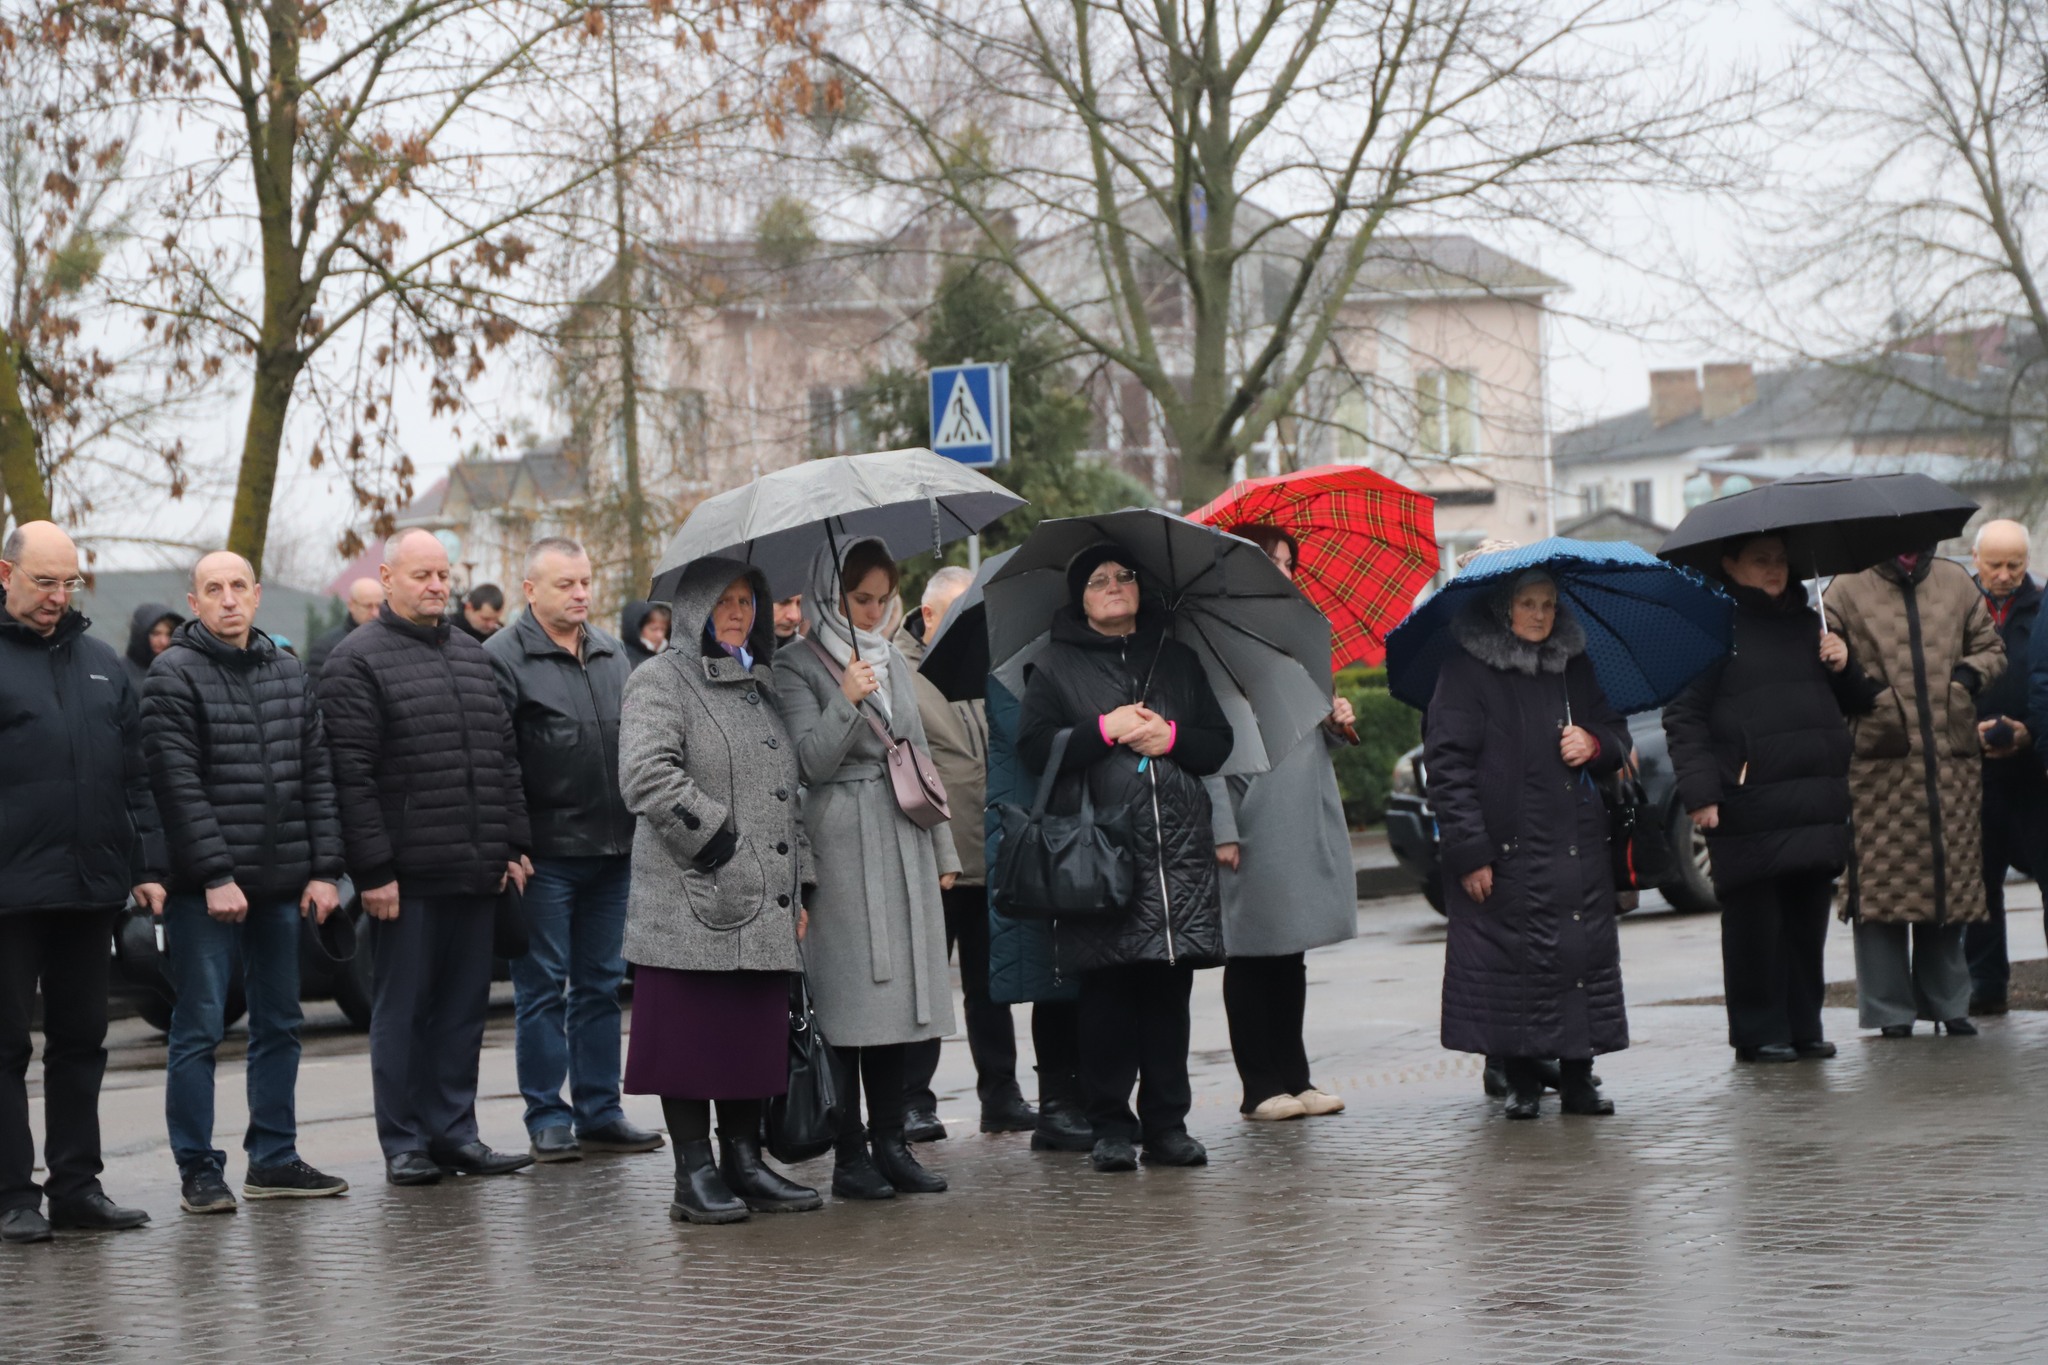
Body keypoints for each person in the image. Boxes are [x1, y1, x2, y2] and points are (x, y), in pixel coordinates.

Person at [319, 529, 534, 1186]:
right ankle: (405, 1141)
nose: (438, 586)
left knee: (464, 1010)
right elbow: (349, 776)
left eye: (444, 574)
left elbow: (503, 757)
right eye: (423, 575)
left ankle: (455, 1133)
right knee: (403, 1012)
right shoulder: (355, 661)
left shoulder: (473, 656)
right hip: (405, 881)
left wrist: (514, 843)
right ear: (387, 579)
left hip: (474, 868)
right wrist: (375, 871)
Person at [140, 551, 351, 1214]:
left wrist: (325, 869)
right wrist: (215, 875)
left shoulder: (288, 671)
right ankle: (198, 1167)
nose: (228, 599)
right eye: (213, 589)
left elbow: (318, 775)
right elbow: (177, 787)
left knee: (281, 1021)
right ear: (194, 600)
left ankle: (275, 1156)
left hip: (282, 882)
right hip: (208, 891)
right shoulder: (172, 675)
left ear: (256, 595)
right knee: (200, 1023)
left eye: (238, 587)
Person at [616, 557, 822, 1223]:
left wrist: (803, 883)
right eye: (724, 600)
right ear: (694, 606)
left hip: (766, 903)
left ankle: (744, 1161)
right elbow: (646, 776)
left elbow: (788, 795)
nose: (738, 612)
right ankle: (693, 1172)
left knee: (745, 1038)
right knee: (688, 1040)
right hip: (692, 896)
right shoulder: (659, 679)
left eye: (747, 600)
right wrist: (722, 845)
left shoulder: (759, 685)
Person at [1017, 544, 1234, 1172]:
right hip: (1102, 855)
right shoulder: (1053, 668)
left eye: (1125, 577)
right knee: (1107, 995)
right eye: (1099, 580)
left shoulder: (1179, 659)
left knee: (1168, 995)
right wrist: (1104, 730)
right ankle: (1111, 1123)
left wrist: (1170, 737)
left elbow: (1216, 744)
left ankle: (1169, 1123)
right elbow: (1034, 751)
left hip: (1177, 858)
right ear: (1079, 597)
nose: (1115, 586)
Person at [0, 522, 165, 1244]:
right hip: (6, 893)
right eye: (43, 581)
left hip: (88, 886)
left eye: (69, 582)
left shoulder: (103, 665)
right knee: (5, 1048)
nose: (57, 596)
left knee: (81, 1042)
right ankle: (11, 1194)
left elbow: (137, 777)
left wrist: (148, 865)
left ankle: (77, 1186)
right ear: (4, 573)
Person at [778, 538, 958, 1200]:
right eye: (861, 598)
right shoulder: (795, 664)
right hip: (842, 843)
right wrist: (847, 698)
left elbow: (917, 752)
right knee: (849, 1004)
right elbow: (808, 762)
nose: (875, 611)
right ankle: (849, 1151)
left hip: (904, 838)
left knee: (898, 1010)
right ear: (831, 593)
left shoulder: (892, 661)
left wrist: (943, 851)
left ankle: (891, 1141)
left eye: (884, 598)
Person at [1423, 570, 1631, 1119]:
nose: (1540, 615)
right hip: (1506, 850)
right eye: (1527, 604)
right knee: (1511, 965)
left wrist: (1595, 742)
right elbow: (1447, 768)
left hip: (1575, 847)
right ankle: (1519, 1079)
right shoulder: (1466, 672)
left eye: (1548, 604)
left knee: (1577, 959)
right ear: (1501, 610)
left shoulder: (1575, 666)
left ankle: (1579, 1076)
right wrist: (1470, 852)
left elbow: (1617, 734)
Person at [487, 539, 663, 1164]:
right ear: (530, 589)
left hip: (614, 851)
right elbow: (496, 761)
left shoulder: (614, 654)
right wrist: (512, 841)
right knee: (541, 990)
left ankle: (599, 1110)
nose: (581, 594)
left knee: (600, 987)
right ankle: (547, 1115)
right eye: (565, 584)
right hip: (545, 856)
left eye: (586, 581)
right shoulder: (502, 660)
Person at [1662, 534, 1858, 1063]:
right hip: (1747, 799)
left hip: (1814, 796)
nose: (1774, 570)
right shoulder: (1710, 628)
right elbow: (1683, 717)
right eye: (1760, 561)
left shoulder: (1809, 622)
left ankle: (1803, 1027)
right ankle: (1757, 1031)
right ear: (1730, 565)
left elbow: (1858, 700)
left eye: (1780, 561)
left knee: (1806, 921)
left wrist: (1845, 662)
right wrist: (1701, 792)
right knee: (1756, 925)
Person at [1207, 525, 1356, 1121]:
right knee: (1252, 951)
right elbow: (1205, 741)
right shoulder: (1211, 640)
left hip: (1303, 804)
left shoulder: (1301, 635)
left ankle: (1296, 1074)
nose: (1285, 572)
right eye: (1272, 562)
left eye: (1290, 563)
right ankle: (1258, 1085)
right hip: (1252, 810)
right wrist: (1220, 824)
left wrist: (1338, 717)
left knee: (1290, 951)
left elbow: (1311, 720)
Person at [1829, 549, 2004, 1036]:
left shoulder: (1957, 582)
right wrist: (1861, 688)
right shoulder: (1845, 587)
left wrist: (1965, 680)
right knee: (1881, 892)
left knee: (1949, 882)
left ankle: (1949, 1003)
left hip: (1952, 759)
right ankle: (1889, 1012)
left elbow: (1993, 649)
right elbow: (1825, 663)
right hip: (1877, 764)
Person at [898, 567, 1040, 1140]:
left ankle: (1001, 1096)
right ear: (929, 616)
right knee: (926, 987)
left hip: (991, 849)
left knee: (993, 985)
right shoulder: (894, 670)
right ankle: (912, 1100)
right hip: (934, 857)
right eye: (956, 613)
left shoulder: (988, 659)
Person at [1967, 521, 2047, 1015]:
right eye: (1994, 564)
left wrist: (2029, 732)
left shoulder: (2041, 607)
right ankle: (1985, 986)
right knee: (1978, 885)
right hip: (1975, 772)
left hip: (2034, 769)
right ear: (1975, 560)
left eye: (2014, 565)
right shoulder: (1960, 610)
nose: (2004, 575)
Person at [307, 577, 384, 682]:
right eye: (368, 606)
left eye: (379, 606)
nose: (375, 613)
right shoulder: (326, 647)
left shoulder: (393, 642)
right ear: (351, 605)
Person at [122, 601, 185, 692]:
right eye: (156, 634)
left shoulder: (183, 674)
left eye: (169, 634)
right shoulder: (119, 672)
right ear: (141, 634)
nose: (164, 641)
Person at [619, 600, 672, 669]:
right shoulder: (622, 660)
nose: (660, 635)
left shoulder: (671, 658)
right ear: (638, 629)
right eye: (654, 629)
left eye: (663, 629)